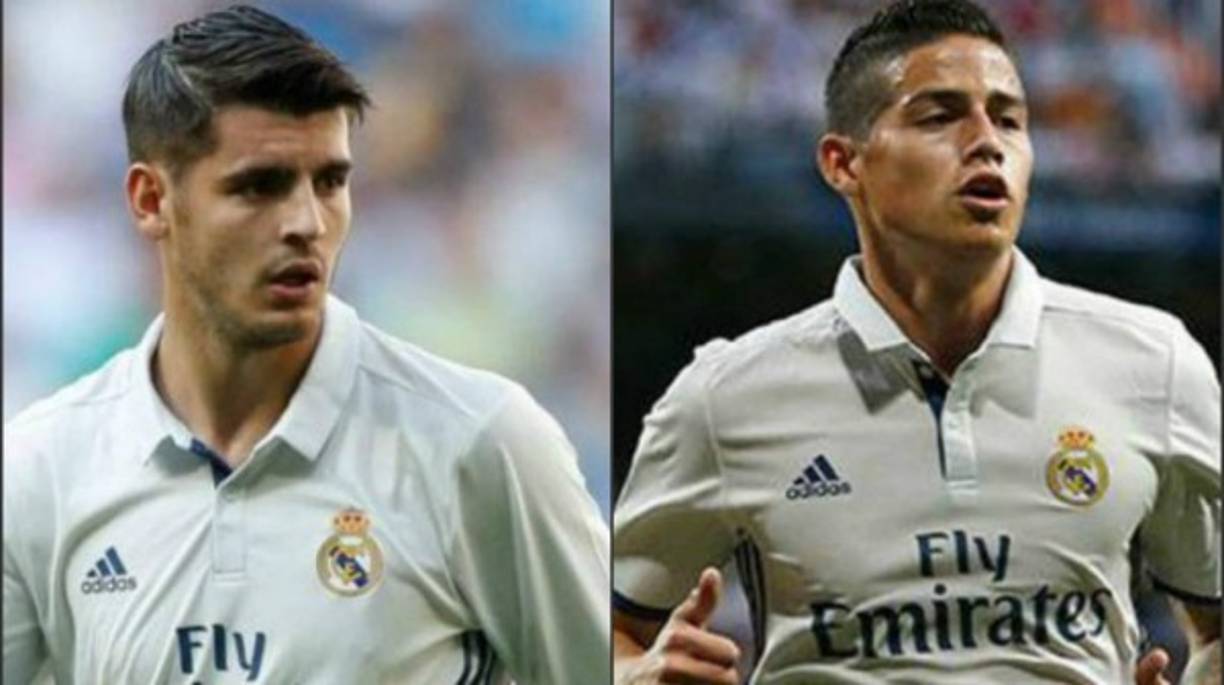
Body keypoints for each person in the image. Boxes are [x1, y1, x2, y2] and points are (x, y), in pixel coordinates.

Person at [611, 1, 1220, 683]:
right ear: (844, 163)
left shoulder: (1155, 366)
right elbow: (600, 634)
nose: (987, 141)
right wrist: (636, 673)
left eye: (1010, 118)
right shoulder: (724, 397)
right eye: (939, 116)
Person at [2, 6, 609, 684]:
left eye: (330, 182)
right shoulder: (41, 468)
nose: (306, 223)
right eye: (259, 186)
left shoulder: (483, 443)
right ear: (151, 200)